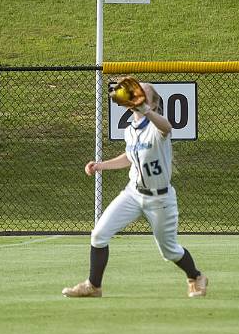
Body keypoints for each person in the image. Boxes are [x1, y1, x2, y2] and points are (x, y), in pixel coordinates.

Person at [62, 79, 208, 298]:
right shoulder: (130, 130)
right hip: (133, 193)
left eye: (143, 93)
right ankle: (93, 286)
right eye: (136, 91)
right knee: (99, 234)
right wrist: (101, 165)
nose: (137, 94)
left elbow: (167, 128)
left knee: (169, 251)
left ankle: (196, 276)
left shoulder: (158, 127)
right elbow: (130, 157)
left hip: (160, 199)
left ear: (154, 104)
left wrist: (146, 110)